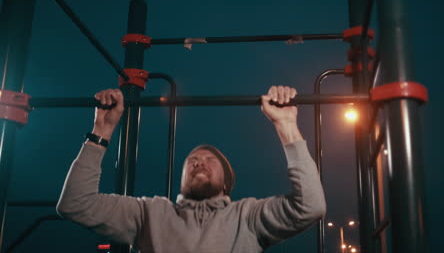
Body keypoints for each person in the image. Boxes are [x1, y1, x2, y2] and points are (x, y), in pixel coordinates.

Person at [57, 85, 326, 253]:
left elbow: (311, 207)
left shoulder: (247, 216)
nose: (198, 161)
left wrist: (286, 126)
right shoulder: (149, 213)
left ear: (225, 184)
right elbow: (75, 204)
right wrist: (101, 130)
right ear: (182, 178)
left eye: (210, 160)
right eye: (192, 160)